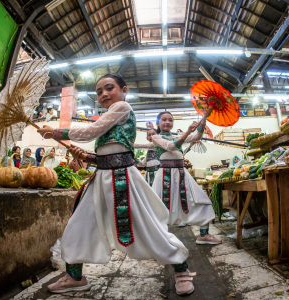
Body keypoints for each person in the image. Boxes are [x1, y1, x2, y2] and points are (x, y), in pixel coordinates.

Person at [37, 74, 193, 296]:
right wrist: (88, 156)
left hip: (124, 179)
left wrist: (56, 132)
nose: (103, 94)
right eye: (99, 91)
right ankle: (74, 276)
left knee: (147, 228)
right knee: (78, 225)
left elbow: (91, 131)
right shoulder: (110, 117)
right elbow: (109, 151)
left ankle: (182, 269)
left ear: (124, 90)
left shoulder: (122, 107)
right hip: (101, 178)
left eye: (109, 88)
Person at [151, 110, 222, 246]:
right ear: (158, 123)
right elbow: (171, 146)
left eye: (170, 120)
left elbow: (198, 136)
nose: (167, 122)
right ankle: (159, 241)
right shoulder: (156, 138)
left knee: (202, 201)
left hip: (182, 175)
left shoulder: (177, 135)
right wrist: (188, 132)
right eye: (164, 120)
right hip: (165, 176)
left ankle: (204, 235)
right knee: (158, 208)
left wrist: (204, 118)